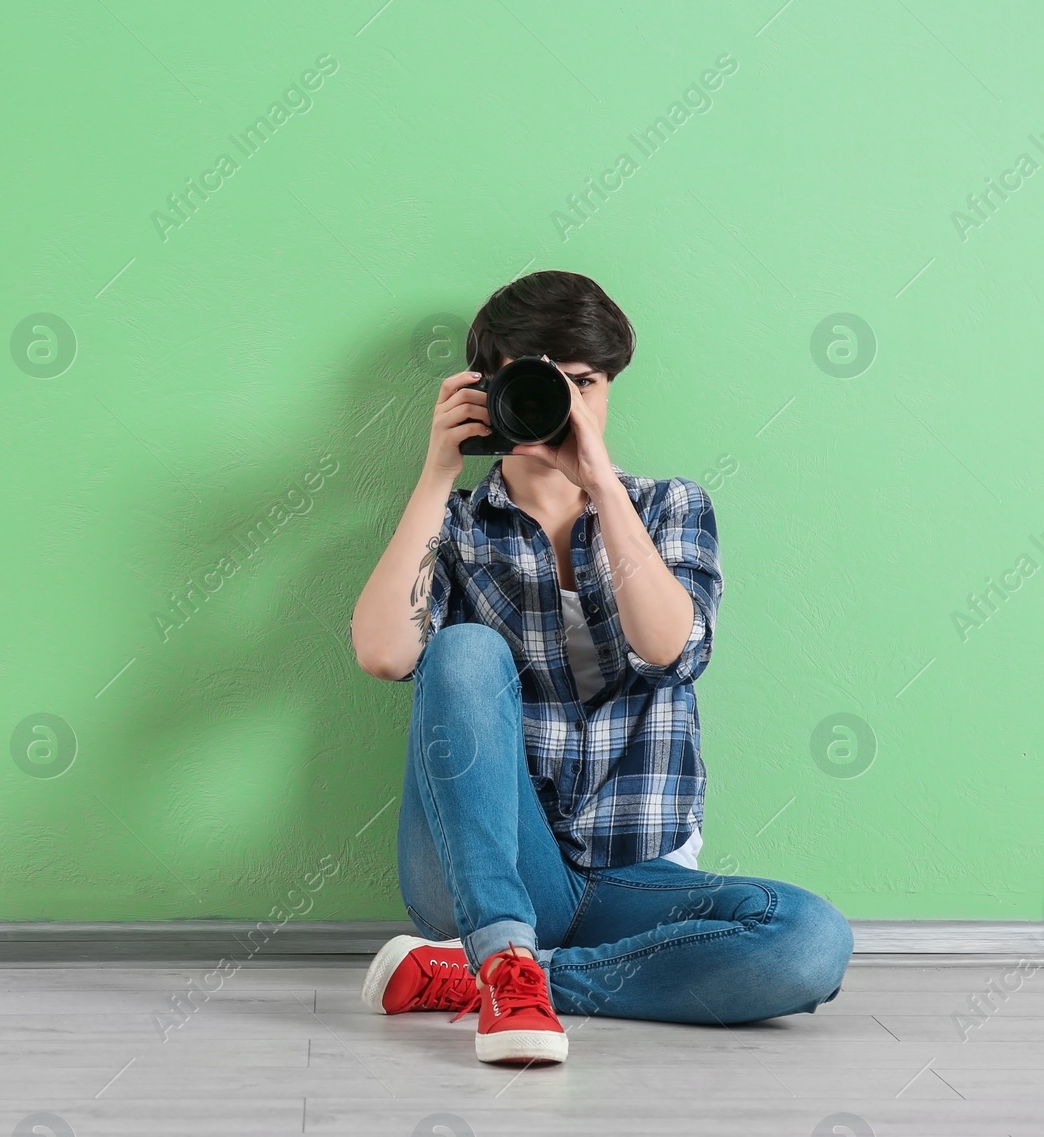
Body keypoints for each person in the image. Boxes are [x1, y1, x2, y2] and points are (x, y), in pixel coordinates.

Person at [348, 271, 853, 1065]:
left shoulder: (667, 507)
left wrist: (598, 483)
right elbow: (383, 654)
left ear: (610, 388)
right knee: (463, 647)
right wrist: (438, 471)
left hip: (635, 875)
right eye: (539, 384)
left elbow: (670, 647)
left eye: (583, 384)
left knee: (808, 939)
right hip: (486, 867)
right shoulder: (452, 526)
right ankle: (500, 946)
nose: (566, 406)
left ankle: (502, 975)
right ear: (490, 390)